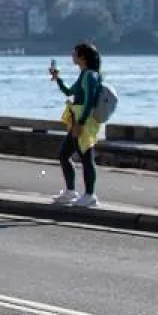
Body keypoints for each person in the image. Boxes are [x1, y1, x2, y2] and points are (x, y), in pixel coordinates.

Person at [50, 43, 104, 207]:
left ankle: (90, 195)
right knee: (64, 155)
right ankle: (71, 192)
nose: (72, 56)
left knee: (86, 157)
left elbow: (89, 102)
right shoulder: (84, 74)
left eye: (74, 53)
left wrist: (80, 124)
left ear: (82, 57)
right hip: (77, 119)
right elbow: (69, 92)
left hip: (84, 122)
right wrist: (57, 78)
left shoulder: (90, 76)